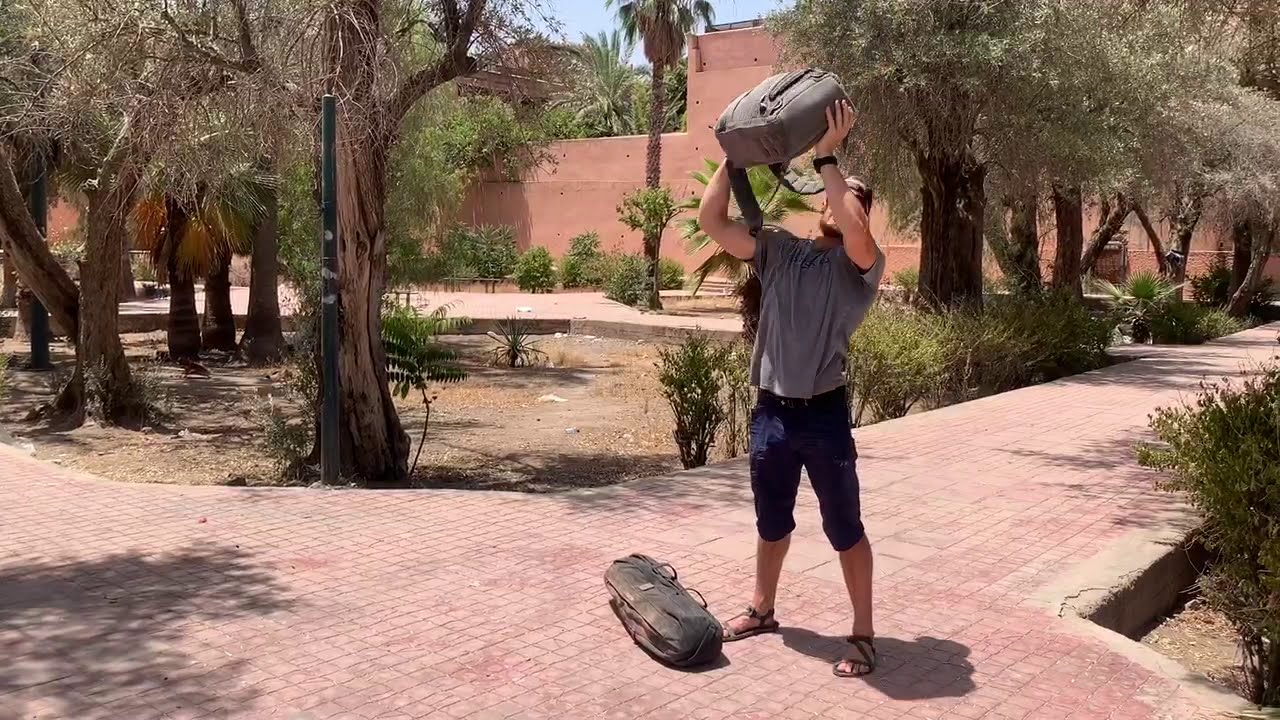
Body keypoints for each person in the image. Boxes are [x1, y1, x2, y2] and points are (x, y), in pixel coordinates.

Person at [697, 100, 883, 678]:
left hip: (824, 416)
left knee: (844, 527)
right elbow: (712, 224)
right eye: (833, 190)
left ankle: (862, 634)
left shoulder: (861, 268)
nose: (838, 200)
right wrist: (734, 162)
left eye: (852, 195)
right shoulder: (780, 248)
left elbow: (851, 224)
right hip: (772, 413)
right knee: (771, 520)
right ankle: (762, 608)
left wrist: (828, 157)